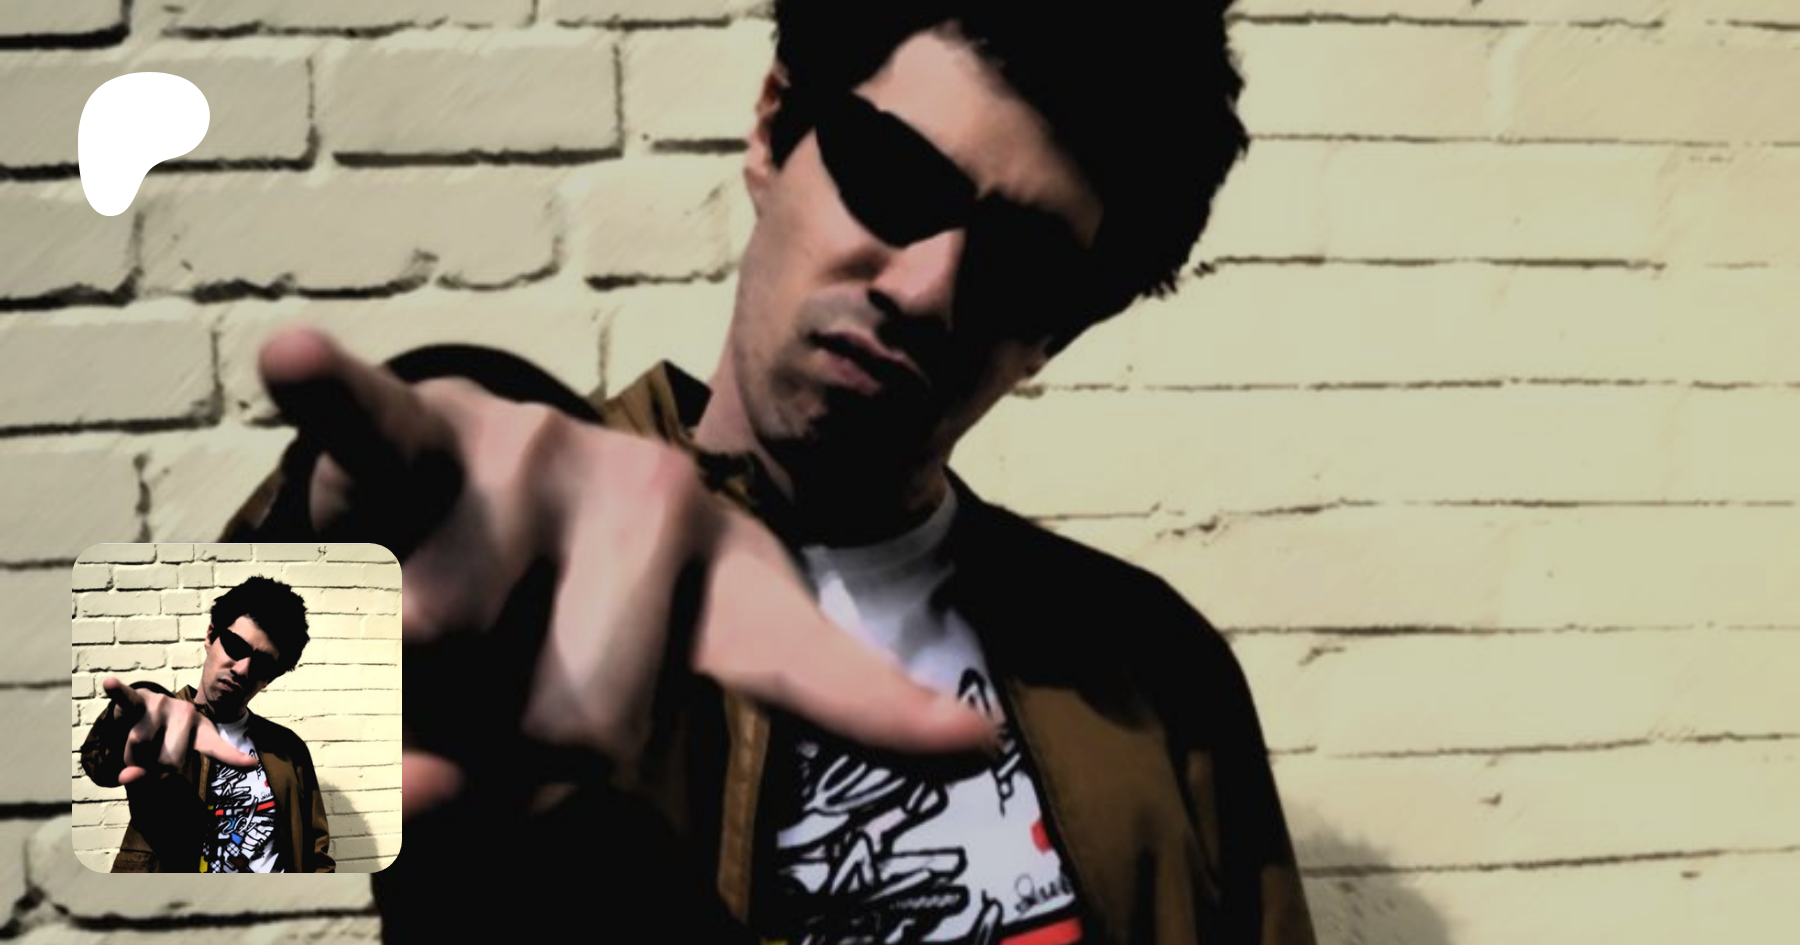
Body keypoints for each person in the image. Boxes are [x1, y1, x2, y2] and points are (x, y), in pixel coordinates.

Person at [222, 0, 1316, 940]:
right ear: (772, 130)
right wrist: (341, 534)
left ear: (1052, 337)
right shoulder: (542, 546)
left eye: (1022, 264)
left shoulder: (1152, 670)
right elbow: (186, 797)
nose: (927, 289)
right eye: (894, 178)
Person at [79, 576, 334, 873]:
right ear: (211, 637)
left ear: (270, 678)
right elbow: (99, 765)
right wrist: (125, 718)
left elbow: (316, 851)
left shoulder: (288, 749)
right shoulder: (165, 723)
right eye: (235, 646)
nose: (242, 669)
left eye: (263, 665)